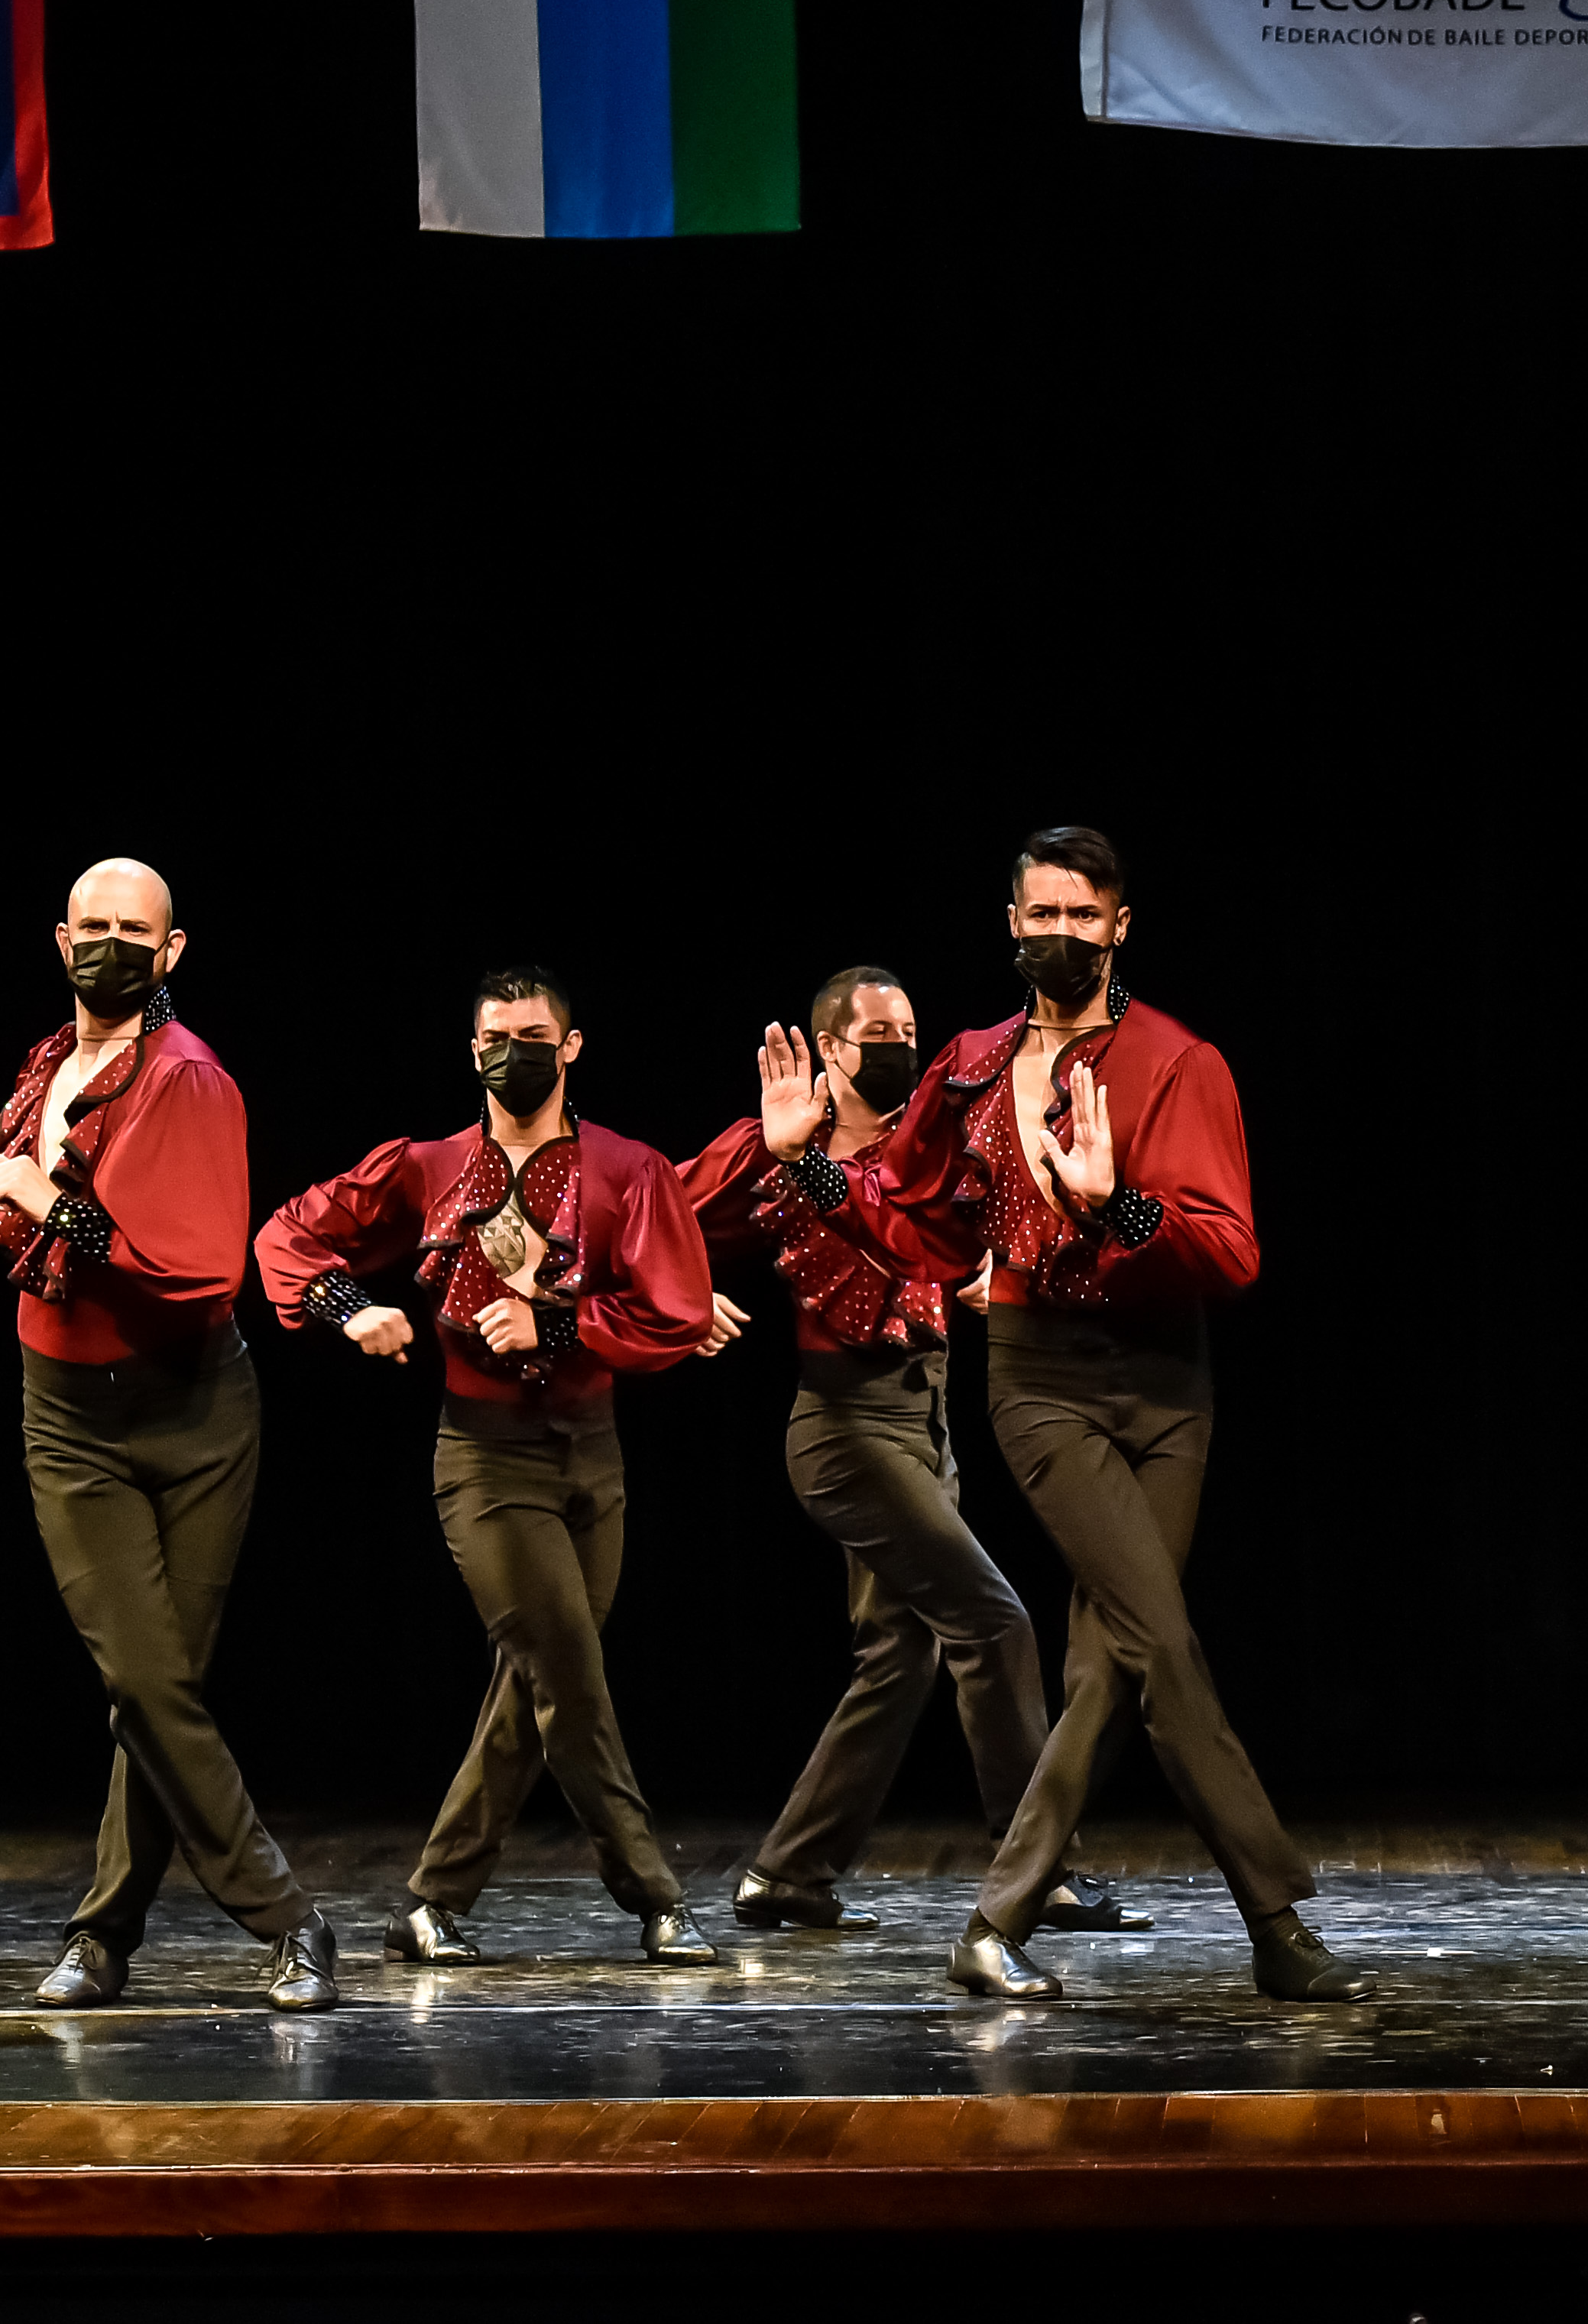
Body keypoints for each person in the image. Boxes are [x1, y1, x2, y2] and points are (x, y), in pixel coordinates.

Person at [829, 826, 1370, 2005]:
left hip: (1167, 1385)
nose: (1061, 935)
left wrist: (1119, 1204)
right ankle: (1276, 1921)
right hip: (1041, 1381)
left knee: (1115, 1662)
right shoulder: (970, 1063)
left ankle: (994, 1924)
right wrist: (829, 1179)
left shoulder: (1178, 1060)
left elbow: (1231, 1253)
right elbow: (908, 1213)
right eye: (1043, 915)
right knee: (1159, 1639)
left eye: (1084, 916)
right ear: (1011, 923)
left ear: (1120, 926)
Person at [0, 857, 338, 2014]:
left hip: (194, 1411)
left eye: (134, 930)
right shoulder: (54, 1064)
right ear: (60, 938)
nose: (110, 945)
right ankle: (287, 1920)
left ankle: (105, 1937)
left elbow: (195, 1270)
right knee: (145, 1678)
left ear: (171, 951)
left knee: (158, 1686)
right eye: (93, 925)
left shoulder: (188, 1079)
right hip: (72, 1414)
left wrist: (60, 1210)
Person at [254, 967, 722, 1968]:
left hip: (592, 1457)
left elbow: (676, 1310)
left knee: (538, 1682)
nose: (516, 1053)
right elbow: (288, 1233)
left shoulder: (627, 1168)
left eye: (535, 1036)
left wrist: (558, 1318)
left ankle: (431, 1902)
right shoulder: (430, 1167)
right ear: (474, 1051)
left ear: (572, 1046)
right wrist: (349, 1308)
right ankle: (656, 1896)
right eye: (498, 1038)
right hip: (485, 1460)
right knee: (568, 1673)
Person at [678, 964, 1142, 1940]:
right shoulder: (783, 1140)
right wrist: (680, 1300)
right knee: (993, 1623)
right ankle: (1036, 1871)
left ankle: (788, 1873)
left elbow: (1002, 1231)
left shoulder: (927, 1146)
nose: (900, 1048)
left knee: (900, 1650)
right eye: (878, 1034)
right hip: (843, 1428)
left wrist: (994, 1268)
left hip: (924, 1417)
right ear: (829, 1049)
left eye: (908, 1032)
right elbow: (650, 1218)